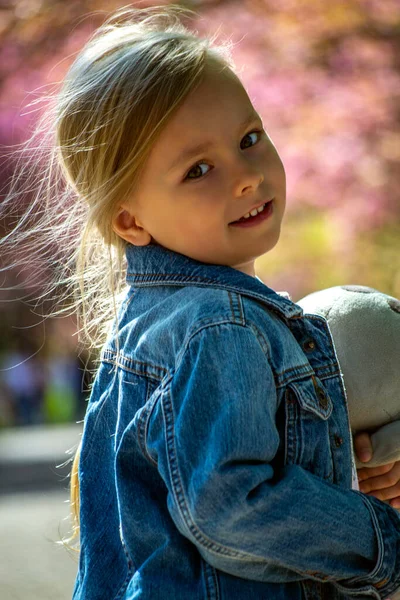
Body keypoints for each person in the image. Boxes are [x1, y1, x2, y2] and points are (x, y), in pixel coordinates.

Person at [2, 5, 400, 600]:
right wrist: (381, 538)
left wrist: (339, 485)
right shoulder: (219, 325)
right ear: (129, 219)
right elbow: (231, 506)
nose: (245, 175)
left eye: (249, 138)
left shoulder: (154, 326)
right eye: (199, 169)